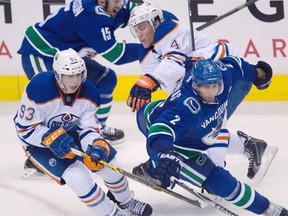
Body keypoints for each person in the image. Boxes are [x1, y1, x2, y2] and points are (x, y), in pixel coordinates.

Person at [126, 2, 274, 180]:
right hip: (213, 84)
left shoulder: (167, 28)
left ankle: (217, 177)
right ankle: (247, 146)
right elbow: (176, 83)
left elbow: (174, 64)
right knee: (197, 128)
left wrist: (151, 80)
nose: (139, 34)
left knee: (210, 126)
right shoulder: (149, 56)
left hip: (231, 78)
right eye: (136, 30)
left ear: (155, 22)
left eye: (142, 27)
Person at [133, 56, 287, 216]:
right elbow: (161, 129)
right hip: (172, 142)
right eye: (206, 87)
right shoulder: (186, 106)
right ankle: (268, 209)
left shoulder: (224, 74)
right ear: (195, 84)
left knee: (210, 132)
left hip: (178, 126)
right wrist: (166, 154)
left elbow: (237, 65)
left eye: (215, 85)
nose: (212, 92)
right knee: (221, 182)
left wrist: (259, 73)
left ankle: (153, 168)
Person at [13, 49, 153, 216]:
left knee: (111, 164)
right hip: (38, 143)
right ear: (58, 74)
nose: (75, 81)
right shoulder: (38, 88)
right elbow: (24, 129)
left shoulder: (90, 92)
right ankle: (111, 213)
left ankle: (126, 201)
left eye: (78, 75)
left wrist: (95, 145)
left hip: (69, 132)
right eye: (69, 76)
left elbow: (88, 128)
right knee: (78, 177)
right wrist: (49, 138)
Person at [17, 0, 139, 177]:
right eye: (116, 0)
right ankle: (37, 155)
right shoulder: (93, 14)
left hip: (68, 57)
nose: (120, 4)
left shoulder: (112, 7)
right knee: (53, 101)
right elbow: (116, 55)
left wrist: (162, 24)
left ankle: (98, 130)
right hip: (41, 53)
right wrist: (149, 48)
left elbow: (137, 8)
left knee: (106, 78)